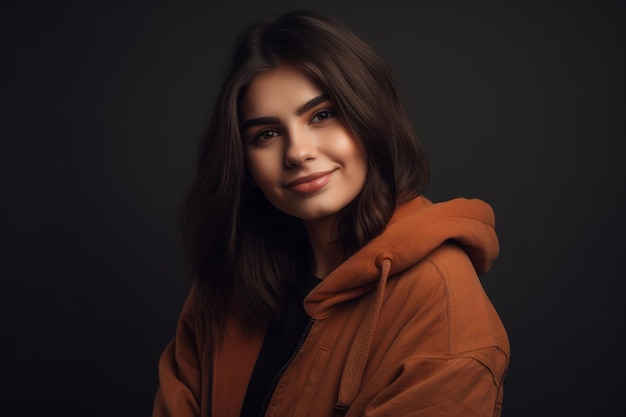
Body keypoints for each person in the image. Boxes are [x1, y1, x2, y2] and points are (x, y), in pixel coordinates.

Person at [152, 9, 509, 417]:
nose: (298, 152)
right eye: (266, 134)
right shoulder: (228, 281)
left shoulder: (438, 299)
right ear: (244, 164)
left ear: (370, 119)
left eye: (322, 115)